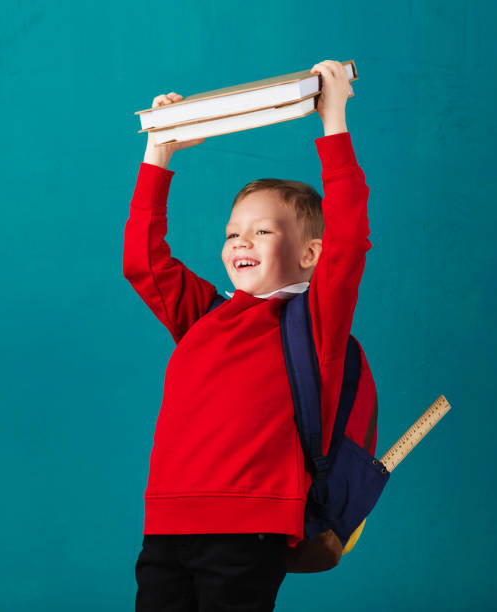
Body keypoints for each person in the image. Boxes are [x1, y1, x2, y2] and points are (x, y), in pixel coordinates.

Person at [123, 59, 372, 611]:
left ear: (311, 254)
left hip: (248, 528)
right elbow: (142, 260)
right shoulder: (204, 317)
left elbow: (350, 239)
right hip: (166, 525)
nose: (242, 242)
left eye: (262, 231)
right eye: (233, 232)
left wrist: (334, 120)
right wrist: (160, 149)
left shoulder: (312, 326)